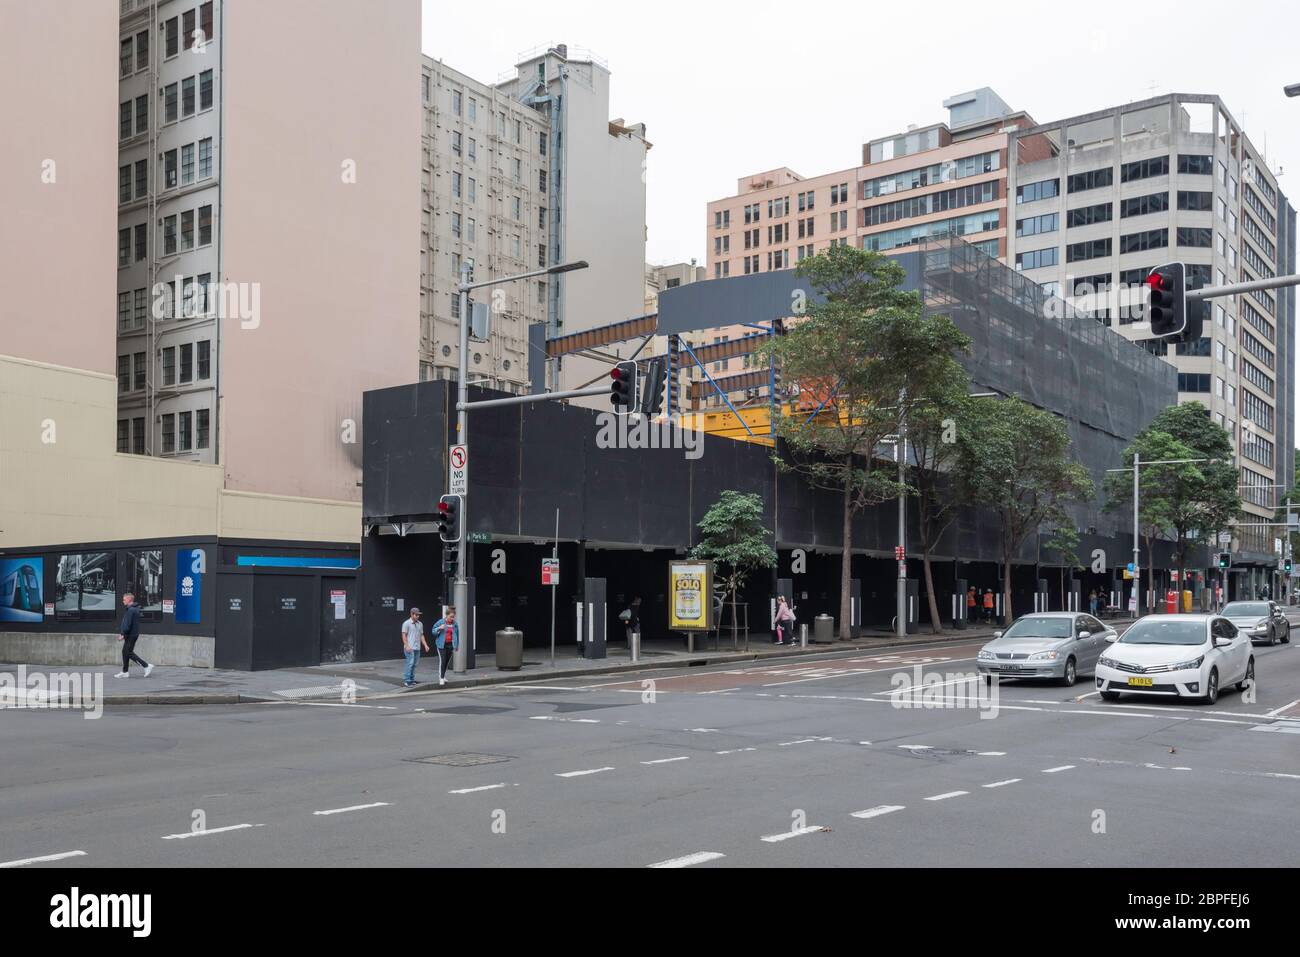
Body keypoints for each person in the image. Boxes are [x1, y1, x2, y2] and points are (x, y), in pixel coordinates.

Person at [115, 592, 152, 678]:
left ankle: (146, 666)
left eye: (124, 599)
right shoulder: (133, 609)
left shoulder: (131, 610)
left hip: (131, 635)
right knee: (125, 652)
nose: (123, 601)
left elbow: (128, 624)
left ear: (129, 600)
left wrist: (122, 634)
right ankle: (125, 671)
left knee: (128, 652)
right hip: (131, 634)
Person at [401, 607, 429, 687]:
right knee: (410, 663)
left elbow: (421, 635)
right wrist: (406, 646)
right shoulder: (406, 623)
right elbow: (404, 635)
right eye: (416, 615)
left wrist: (425, 645)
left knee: (415, 664)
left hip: (417, 647)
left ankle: (412, 680)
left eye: (418, 615)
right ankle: (407, 680)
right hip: (410, 648)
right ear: (411, 614)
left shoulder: (420, 624)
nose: (418, 616)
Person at [431, 607, 460, 687]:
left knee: (446, 662)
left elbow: (457, 635)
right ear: (446, 615)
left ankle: (443, 676)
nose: (452, 618)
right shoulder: (441, 622)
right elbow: (433, 631)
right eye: (451, 616)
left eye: (453, 616)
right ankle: (441, 678)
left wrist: (456, 645)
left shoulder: (455, 624)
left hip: (450, 645)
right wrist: (439, 628)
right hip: (441, 645)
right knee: (443, 661)